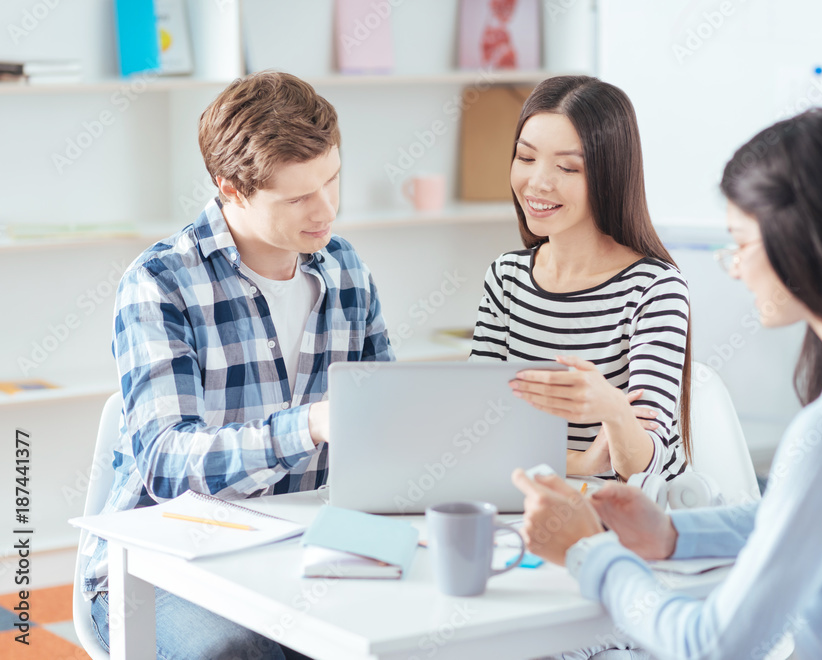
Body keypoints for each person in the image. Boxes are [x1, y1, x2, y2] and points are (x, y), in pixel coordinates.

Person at [512, 108, 822, 659]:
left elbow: (714, 645)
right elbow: (802, 513)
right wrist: (671, 535)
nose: (734, 267)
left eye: (741, 243)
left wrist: (589, 551)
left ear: (801, 242)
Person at [82, 71, 393, 659]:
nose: (326, 209)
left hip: (299, 542)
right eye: (298, 197)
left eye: (332, 179)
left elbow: (385, 415)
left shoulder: (345, 268)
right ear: (232, 188)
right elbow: (166, 462)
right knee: (237, 652)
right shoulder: (159, 283)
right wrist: (309, 426)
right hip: (160, 563)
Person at [470, 75, 693, 484]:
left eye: (567, 167)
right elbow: (480, 432)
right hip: (532, 504)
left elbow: (644, 465)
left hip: (634, 519)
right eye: (525, 157)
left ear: (610, 175)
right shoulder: (507, 277)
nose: (537, 182)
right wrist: (582, 463)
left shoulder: (655, 290)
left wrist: (611, 409)